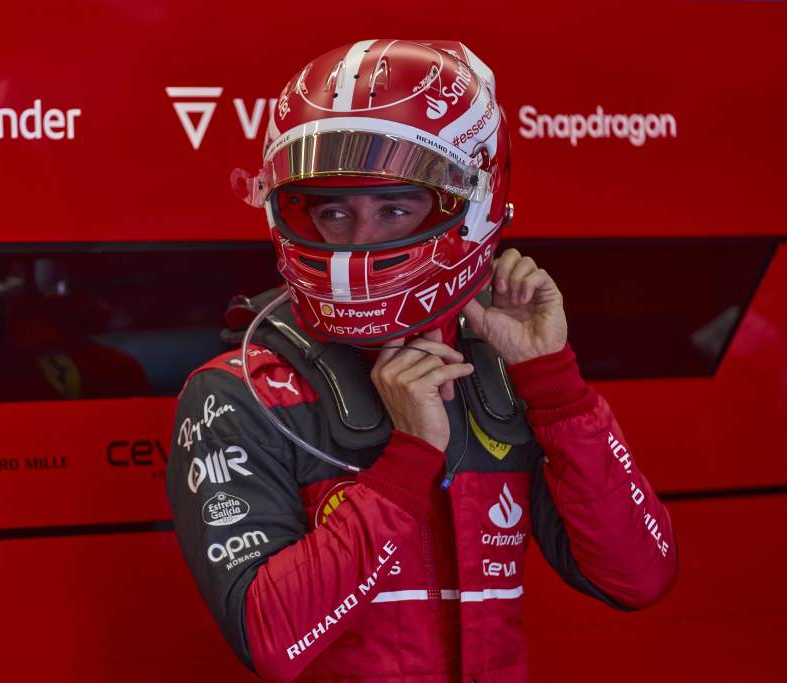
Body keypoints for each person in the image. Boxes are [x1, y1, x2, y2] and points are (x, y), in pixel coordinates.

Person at [166, 39, 677, 683]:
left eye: (395, 208)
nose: (359, 242)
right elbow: (273, 640)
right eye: (333, 212)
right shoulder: (243, 395)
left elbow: (639, 577)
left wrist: (554, 384)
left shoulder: (498, 372)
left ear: (476, 206)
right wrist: (407, 461)